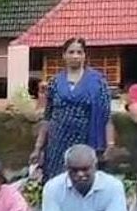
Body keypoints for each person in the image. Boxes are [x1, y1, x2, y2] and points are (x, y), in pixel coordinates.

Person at [30, 37, 114, 182]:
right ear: (64, 55)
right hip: (57, 142)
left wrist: (110, 144)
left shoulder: (98, 82)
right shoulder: (55, 82)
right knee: (57, 182)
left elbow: (106, 116)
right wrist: (38, 148)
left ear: (84, 55)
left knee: (84, 181)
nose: (75, 56)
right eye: (71, 52)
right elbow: (47, 117)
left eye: (79, 52)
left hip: (86, 140)